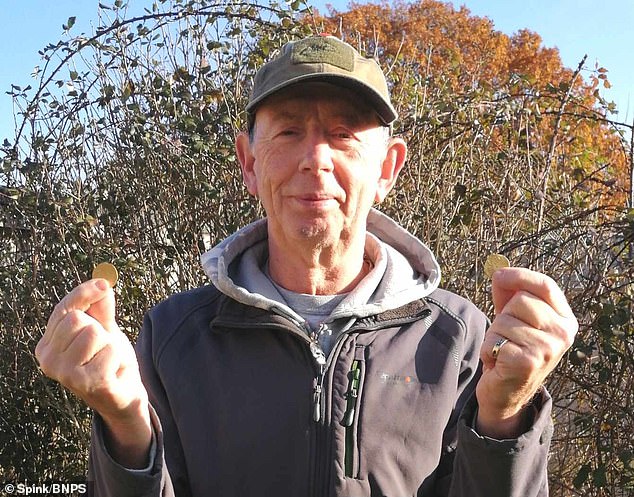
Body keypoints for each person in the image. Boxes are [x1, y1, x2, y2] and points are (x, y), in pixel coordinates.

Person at [35, 35, 578, 496]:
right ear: (249, 163)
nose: (315, 157)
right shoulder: (172, 338)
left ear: (387, 168)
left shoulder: (462, 339)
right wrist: (126, 426)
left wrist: (506, 417)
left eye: (343, 135)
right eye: (290, 131)